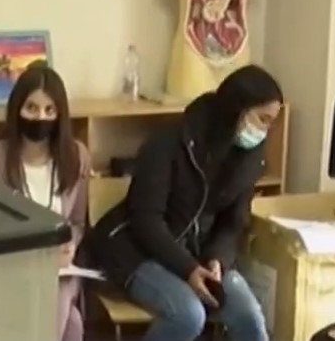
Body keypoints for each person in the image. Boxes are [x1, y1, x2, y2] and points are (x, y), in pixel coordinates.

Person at [82, 64, 282, 341]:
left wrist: (217, 260)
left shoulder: (250, 157)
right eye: (262, 119)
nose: (264, 131)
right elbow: (145, 219)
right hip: (136, 251)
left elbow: (234, 222)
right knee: (187, 314)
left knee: (249, 316)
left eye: (271, 122)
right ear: (237, 108)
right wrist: (188, 269)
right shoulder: (170, 140)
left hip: (198, 254)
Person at [0, 64, 90, 341]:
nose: (40, 117)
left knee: (58, 295)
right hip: (9, 271)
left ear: (60, 114)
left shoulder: (77, 156)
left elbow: (77, 221)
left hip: (59, 272)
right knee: (72, 325)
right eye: (32, 108)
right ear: (17, 109)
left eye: (49, 110)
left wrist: (69, 245)